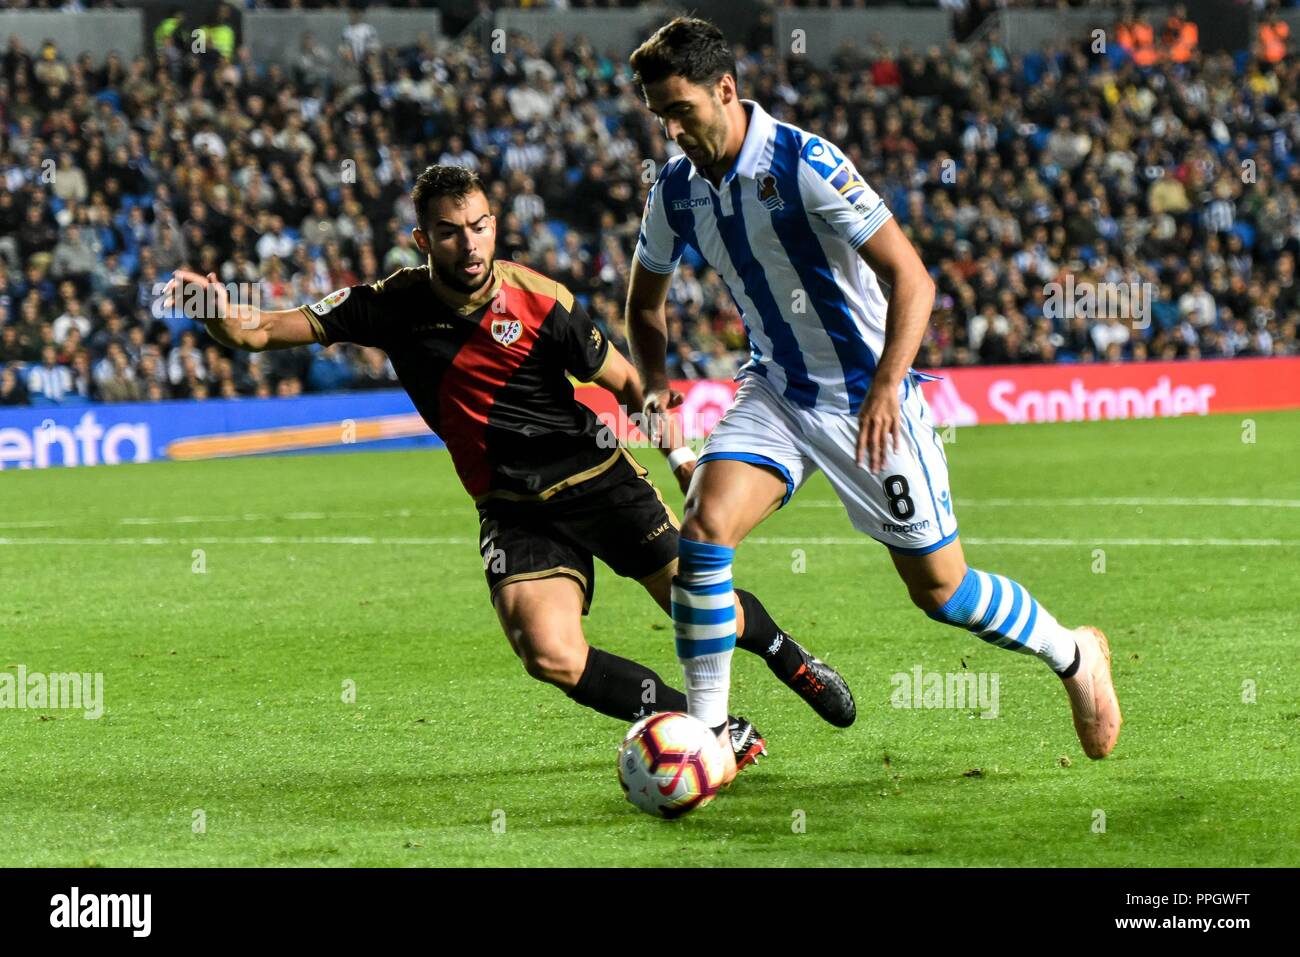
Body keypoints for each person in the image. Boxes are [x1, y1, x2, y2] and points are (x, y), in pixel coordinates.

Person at [167, 164, 855, 783]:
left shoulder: (538, 299)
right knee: (549, 653)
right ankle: (702, 730)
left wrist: (678, 456)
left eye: (478, 226)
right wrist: (209, 308)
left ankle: (786, 653)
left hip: (596, 479)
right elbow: (260, 329)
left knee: (706, 610)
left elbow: (627, 381)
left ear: (493, 224)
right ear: (422, 239)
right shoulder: (390, 303)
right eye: (449, 232)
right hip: (511, 506)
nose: (468, 244)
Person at [624, 18, 1120, 760]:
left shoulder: (805, 163)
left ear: (725, 90)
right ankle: (711, 736)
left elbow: (912, 277)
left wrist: (888, 385)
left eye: (682, 110)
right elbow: (645, 304)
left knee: (942, 592)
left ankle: (1075, 654)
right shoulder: (674, 191)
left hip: (864, 400)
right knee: (702, 534)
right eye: (661, 116)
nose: (672, 130)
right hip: (778, 393)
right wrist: (657, 385)